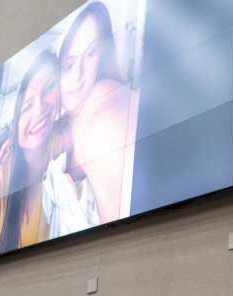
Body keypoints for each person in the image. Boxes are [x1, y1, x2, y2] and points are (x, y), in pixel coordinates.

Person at [48, 1, 139, 227]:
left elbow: (124, 234)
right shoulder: (61, 131)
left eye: (91, 53)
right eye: (68, 65)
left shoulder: (105, 102)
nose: (77, 75)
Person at [0, 50, 61, 261]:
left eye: (49, 88)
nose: (39, 109)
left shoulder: (64, 142)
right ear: (15, 122)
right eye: (27, 106)